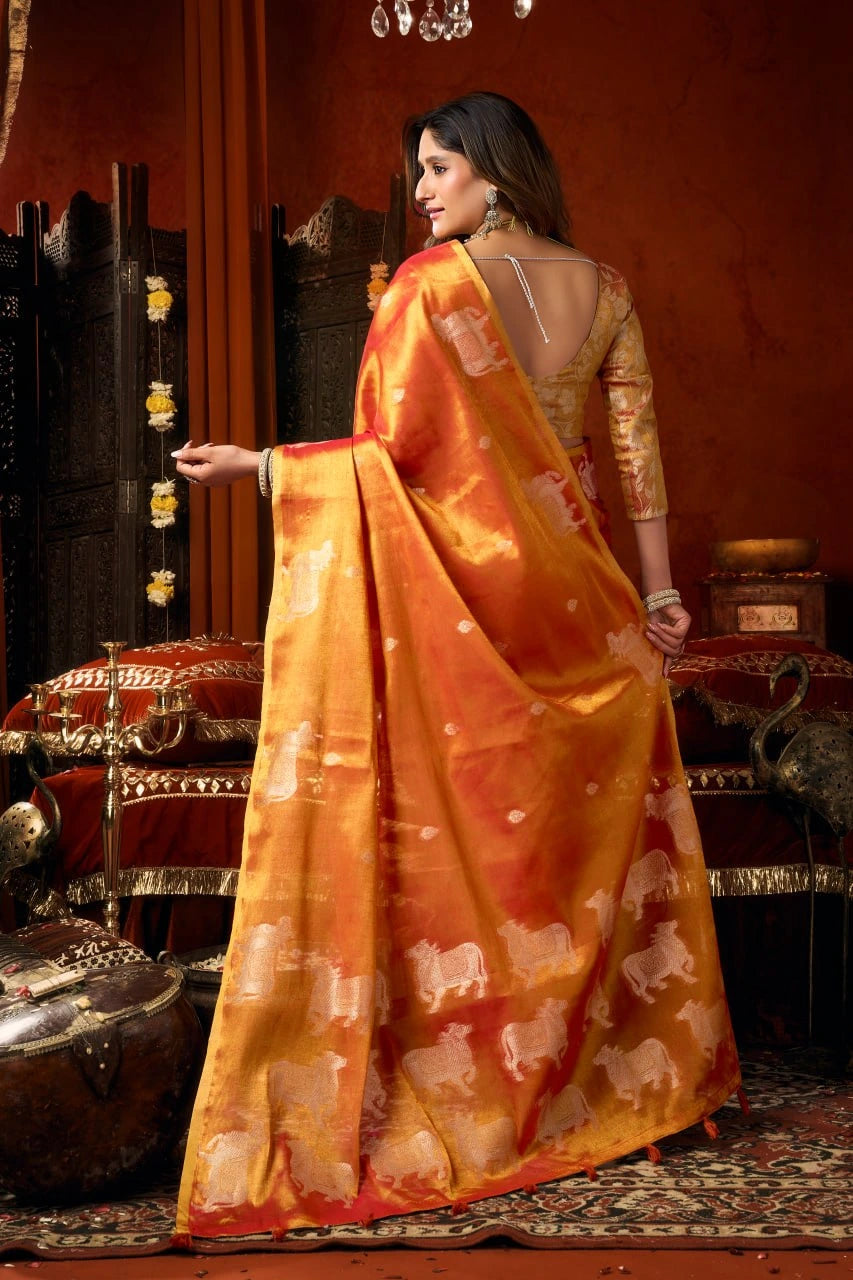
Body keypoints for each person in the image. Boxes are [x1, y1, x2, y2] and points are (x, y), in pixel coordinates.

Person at [173, 92, 741, 1239]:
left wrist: (263, 467)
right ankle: (599, 1075)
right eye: (419, 173)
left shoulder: (426, 291)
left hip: (477, 595)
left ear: (492, 170)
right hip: (585, 598)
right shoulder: (609, 289)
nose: (422, 191)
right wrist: (664, 596)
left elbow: (396, 466)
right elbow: (633, 456)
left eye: (437, 168)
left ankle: (478, 1087)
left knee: (466, 816)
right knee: (559, 835)